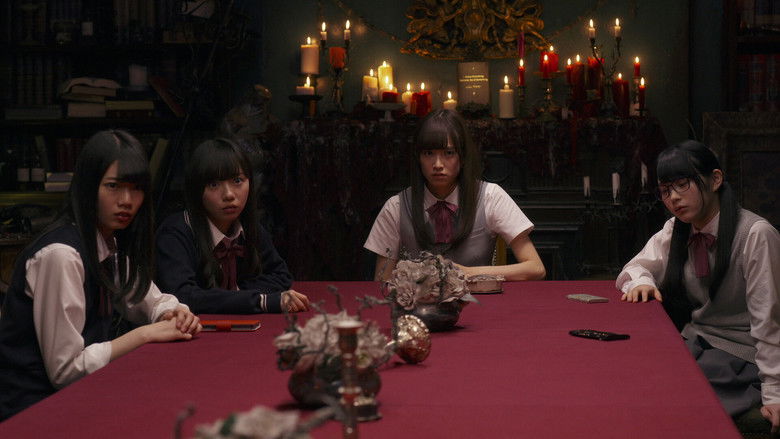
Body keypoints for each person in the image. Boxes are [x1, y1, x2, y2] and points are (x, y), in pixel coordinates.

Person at [0, 130, 201, 421]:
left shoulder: (103, 242)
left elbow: (147, 299)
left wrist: (173, 312)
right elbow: (65, 371)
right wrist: (144, 334)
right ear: (88, 186)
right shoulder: (62, 254)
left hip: (78, 399)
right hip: (31, 413)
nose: (127, 200)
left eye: (137, 189)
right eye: (113, 186)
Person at [616, 140, 780, 432]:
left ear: (715, 179)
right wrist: (642, 281)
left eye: (682, 185)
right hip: (695, 342)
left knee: (669, 398)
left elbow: (768, 321)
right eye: (666, 190)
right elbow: (634, 268)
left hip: (741, 355)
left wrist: (775, 393)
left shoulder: (755, 234)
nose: (673, 198)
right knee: (631, 373)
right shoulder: (677, 229)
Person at [364, 109, 545, 281]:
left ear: (462, 156)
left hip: (480, 300)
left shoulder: (490, 196)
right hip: (417, 302)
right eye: (428, 153)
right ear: (418, 158)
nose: (438, 164)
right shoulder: (396, 206)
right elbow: (382, 281)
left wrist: (469, 273)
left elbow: (535, 268)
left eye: (449, 153)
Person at [155, 138, 309, 314]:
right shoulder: (174, 234)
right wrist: (260, 301)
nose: (229, 194)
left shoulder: (249, 227)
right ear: (196, 190)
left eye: (237, 181)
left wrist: (235, 296)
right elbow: (182, 296)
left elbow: (281, 276)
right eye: (214, 184)